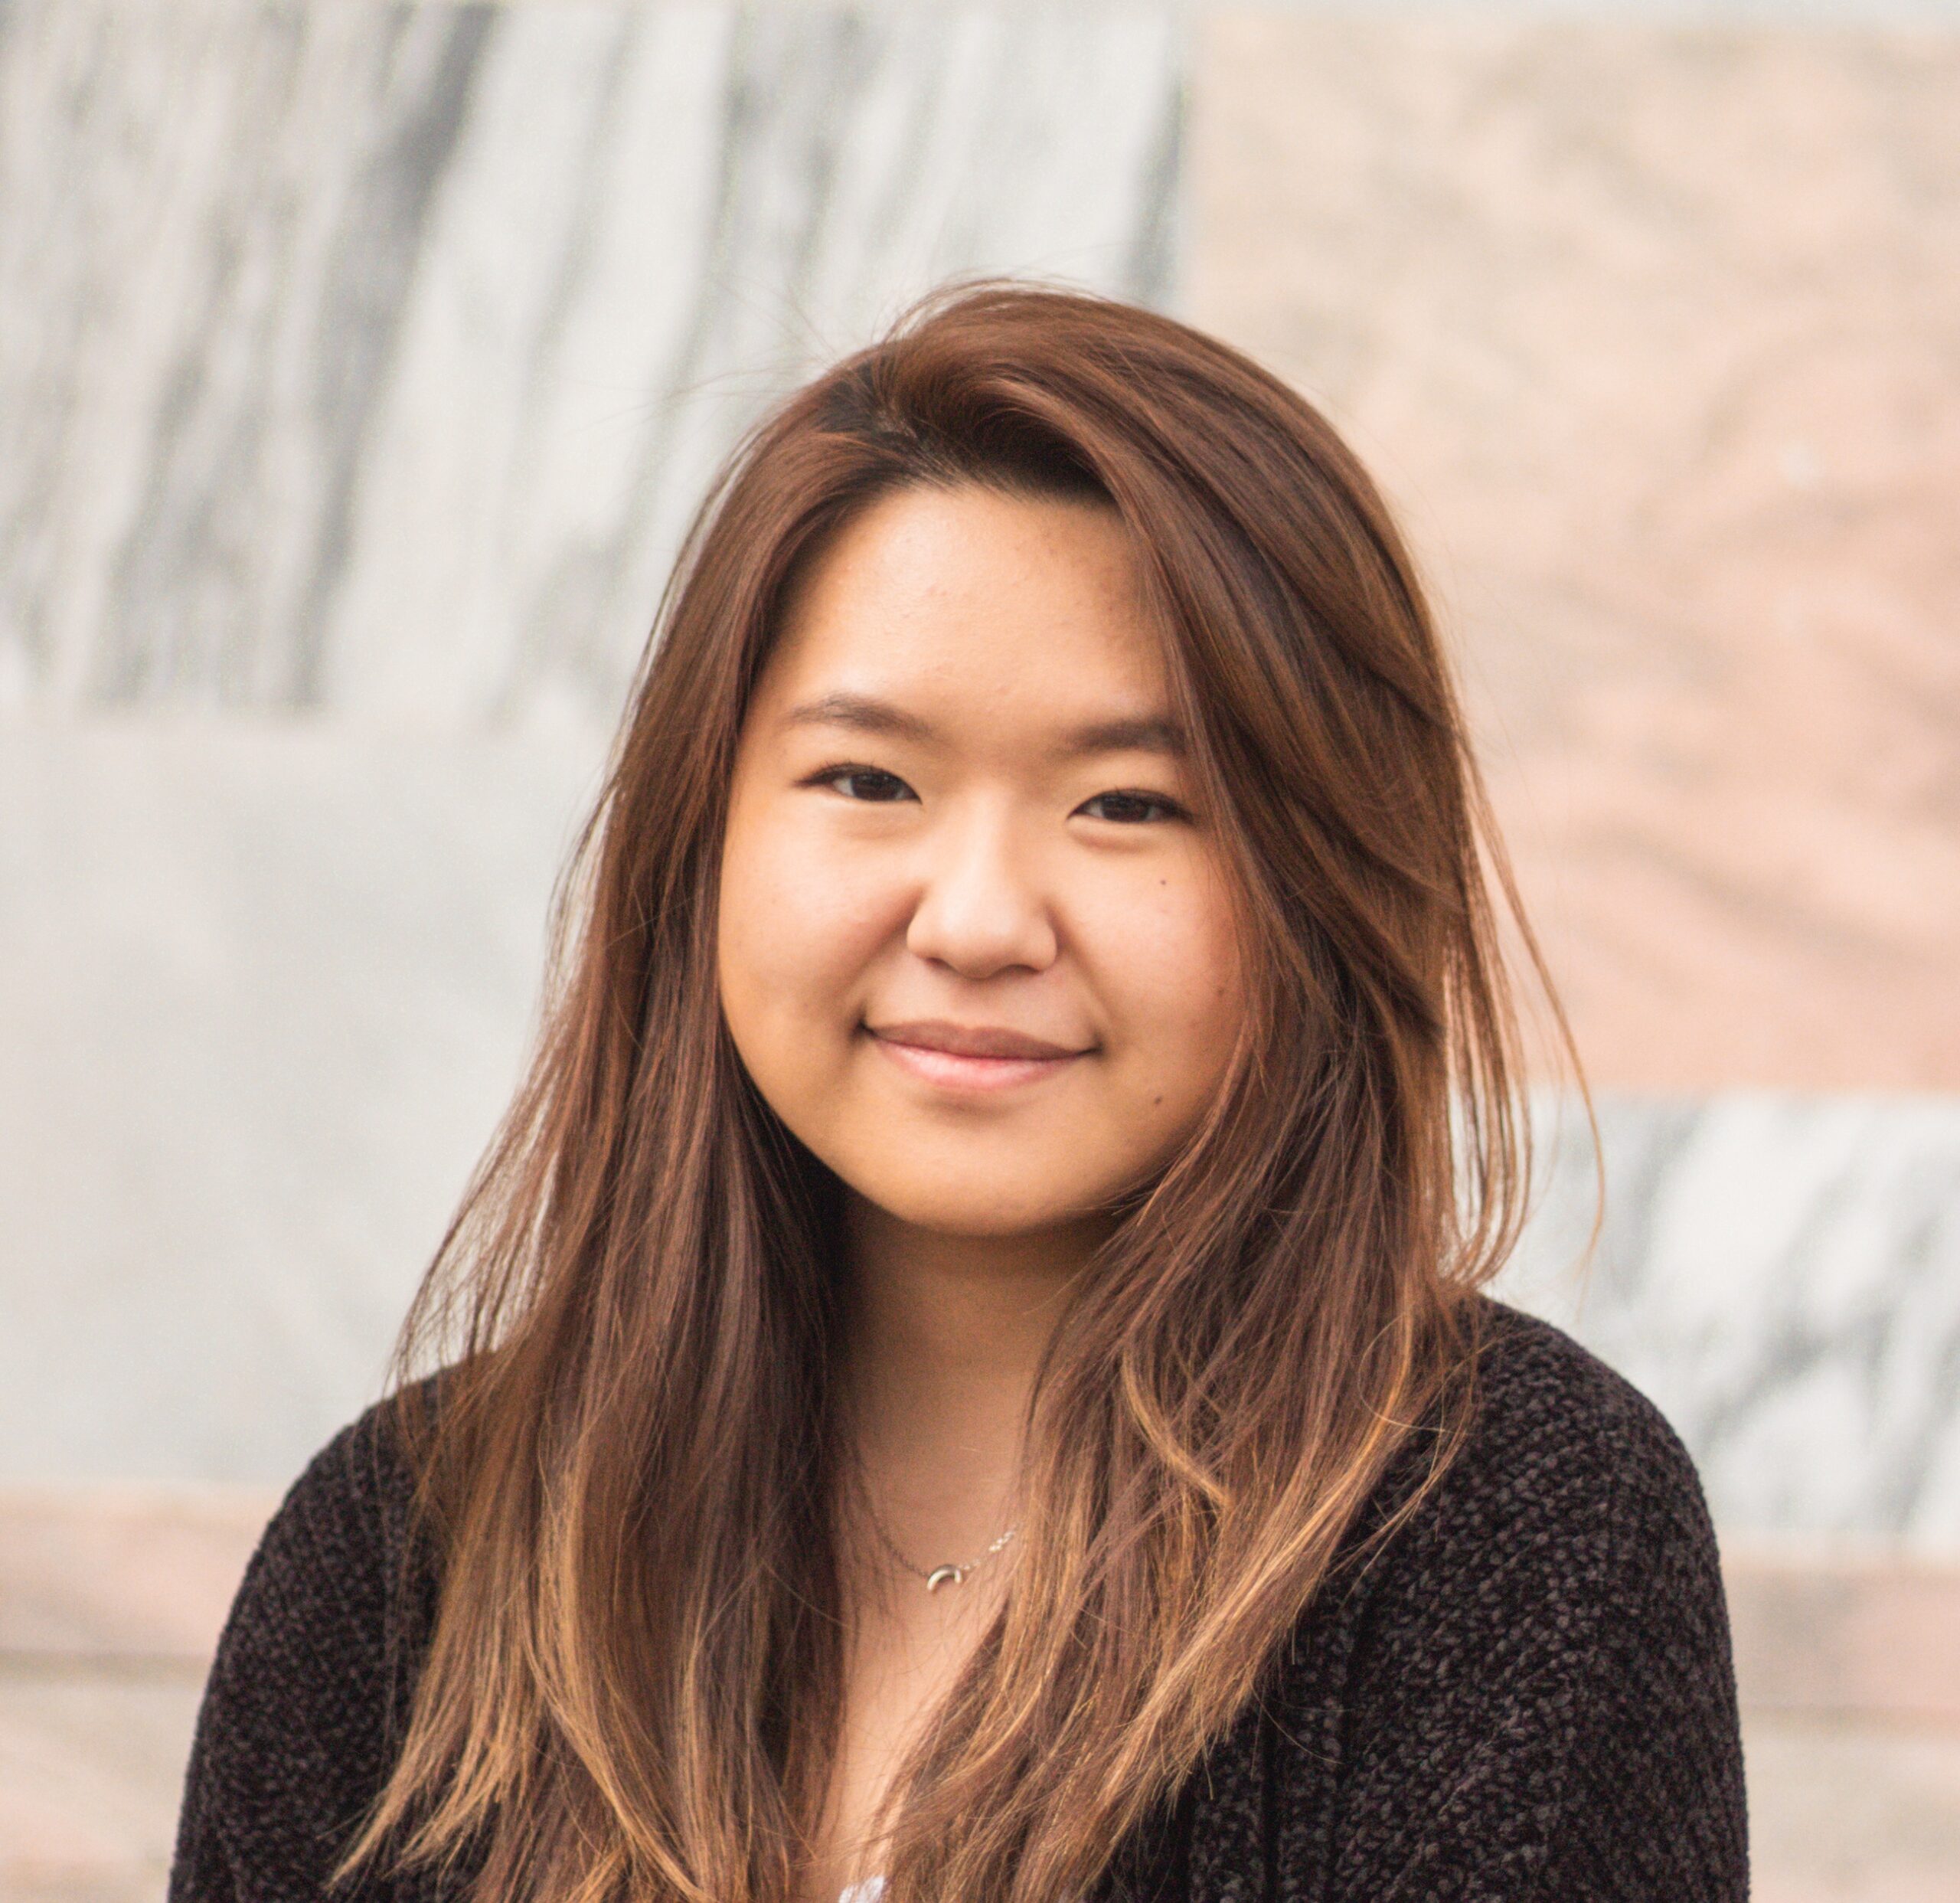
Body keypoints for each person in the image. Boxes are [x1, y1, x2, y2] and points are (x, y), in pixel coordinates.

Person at [168, 283, 1748, 1903]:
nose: (978, 919)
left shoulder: (1507, 1538)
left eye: (1128, 803)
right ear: (700, 841)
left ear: (1322, 882)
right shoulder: (400, 1558)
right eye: (867, 780)